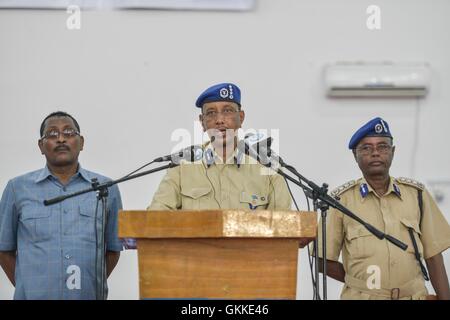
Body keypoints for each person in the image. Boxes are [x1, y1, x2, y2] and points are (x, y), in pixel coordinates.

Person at [315, 117, 450, 300]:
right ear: (355, 155)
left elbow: (434, 256)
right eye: (366, 148)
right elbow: (323, 260)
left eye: (383, 147)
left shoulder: (417, 195)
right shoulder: (340, 201)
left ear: (393, 152)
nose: (375, 153)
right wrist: (360, 282)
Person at [0, 111, 123, 300]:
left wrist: (89, 283)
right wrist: (29, 284)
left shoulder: (106, 189)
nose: (60, 139)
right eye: (52, 134)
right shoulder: (17, 188)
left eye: (68, 132)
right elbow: (3, 249)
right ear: (41, 146)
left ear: (81, 142)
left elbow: (113, 250)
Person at [148, 82, 292, 211]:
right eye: (211, 113)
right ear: (202, 122)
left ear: (241, 118)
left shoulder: (267, 166)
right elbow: (155, 218)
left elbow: (285, 226)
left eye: (227, 111)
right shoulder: (182, 167)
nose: (219, 120)